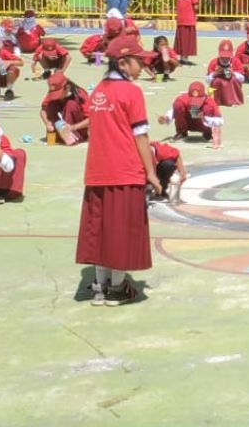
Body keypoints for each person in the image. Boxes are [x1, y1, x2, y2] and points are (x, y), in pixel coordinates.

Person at [76, 35, 160, 306]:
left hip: (97, 170)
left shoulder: (99, 90)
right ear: (123, 63)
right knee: (121, 230)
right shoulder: (132, 93)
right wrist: (150, 171)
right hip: (125, 170)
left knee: (99, 230)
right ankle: (116, 287)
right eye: (139, 61)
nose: (142, 66)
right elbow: (141, 136)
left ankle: (99, 287)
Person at [158, 81, 223, 145]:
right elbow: (173, 110)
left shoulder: (210, 102)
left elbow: (220, 121)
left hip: (203, 123)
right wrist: (166, 118)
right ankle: (182, 132)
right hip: (187, 122)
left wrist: (205, 118)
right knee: (178, 105)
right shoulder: (182, 99)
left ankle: (208, 133)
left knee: (208, 108)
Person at [40, 72, 90, 143]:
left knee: (71, 104)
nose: (57, 96)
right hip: (60, 125)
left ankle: (73, 136)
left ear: (67, 87)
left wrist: (73, 127)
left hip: (78, 128)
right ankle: (58, 134)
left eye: (58, 93)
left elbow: (91, 119)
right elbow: (43, 111)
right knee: (51, 104)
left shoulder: (80, 94)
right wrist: (47, 123)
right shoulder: (52, 92)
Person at [205, 39, 245, 106]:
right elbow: (207, 81)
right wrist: (214, 74)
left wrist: (233, 73)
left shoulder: (236, 61)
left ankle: (234, 100)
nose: (225, 59)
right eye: (223, 57)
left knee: (233, 79)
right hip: (218, 90)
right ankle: (216, 101)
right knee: (216, 81)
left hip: (231, 88)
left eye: (227, 57)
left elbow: (242, 79)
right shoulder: (213, 62)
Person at [174, 0, 200, 64]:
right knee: (188, 40)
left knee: (181, 39)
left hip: (180, 20)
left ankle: (181, 57)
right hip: (189, 20)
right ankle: (185, 59)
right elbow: (196, 7)